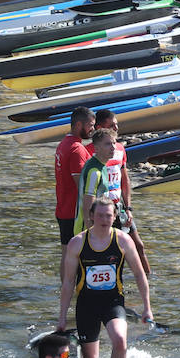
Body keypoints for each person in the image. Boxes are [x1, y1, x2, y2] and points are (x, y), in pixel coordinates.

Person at [58, 197, 153, 358]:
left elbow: (139, 275)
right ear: (91, 216)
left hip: (113, 302)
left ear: (115, 216)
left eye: (108, 215)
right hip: (86, 305)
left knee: (119, 339)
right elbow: (68, 283)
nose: (104, 219)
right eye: (100, 215)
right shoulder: (77, 243)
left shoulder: (123, 241)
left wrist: (147, 308)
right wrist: (62, 318)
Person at [94, 109, 150, 272]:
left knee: (138, 246)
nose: (116, 129)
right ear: (99, 128)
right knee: (110, 253)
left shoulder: (119, 148)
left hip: (121, 208)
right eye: (111, 126)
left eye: (117, 124)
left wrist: (128, 208)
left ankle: (148, 283)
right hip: (103, 209)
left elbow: (125, 180)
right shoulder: (91, 152)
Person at [55, 107, 95, 249]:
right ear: (79, 125)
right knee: (77, 256)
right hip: (74, 213)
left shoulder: (63, 144)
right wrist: (91, 214)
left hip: (62, 208)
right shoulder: (76, 149)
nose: (92, 129)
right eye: (90, 125)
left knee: (67, 254)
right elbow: (82, 186)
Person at [74, 129, 122, 233]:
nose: (113, 147)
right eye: (107, 144)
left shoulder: (100, 164)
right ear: (96, 148)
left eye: (114, 143)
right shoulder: (94, 171)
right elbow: (88, 205)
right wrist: (91, 233)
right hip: (87, 229)